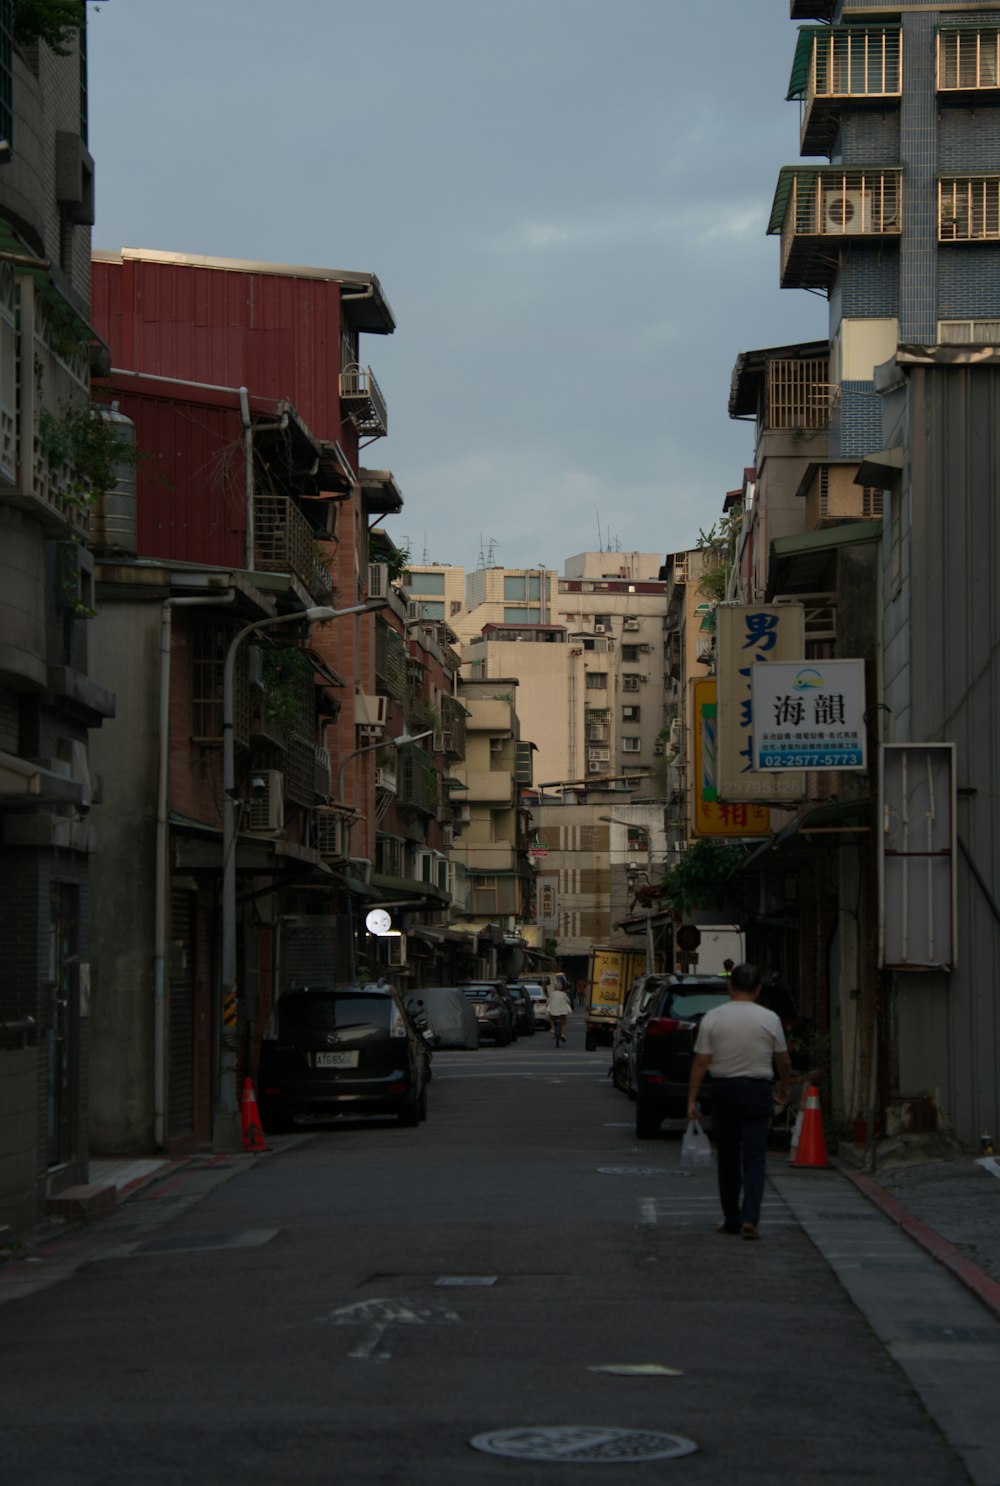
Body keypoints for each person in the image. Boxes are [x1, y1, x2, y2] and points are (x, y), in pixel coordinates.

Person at [686, 962, 791, 1241]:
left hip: (724, 1091)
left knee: (728, 1158)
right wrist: (784, 1086)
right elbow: (783, 1058)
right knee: (755, 1158)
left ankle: (731, 1218)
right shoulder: (769, 1018)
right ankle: (750, 1219)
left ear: (729, 987)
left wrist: (692, 1099)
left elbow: (701, 1062)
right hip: (758, 1091)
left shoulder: (714, 1017)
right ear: (758, 990)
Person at [546, 981, 573, 1046]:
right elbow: (568, 1001)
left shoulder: (552, 994)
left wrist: (546, 1005)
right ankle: (563, 1034)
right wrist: (569, 1005)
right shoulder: (563, 994)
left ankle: (553, 1029)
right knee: (564, 1023)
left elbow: (548, 1001)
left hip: (553, 1012)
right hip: (562, 1013)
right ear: (561, 988)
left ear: (555, 988)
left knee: (551, 1019)